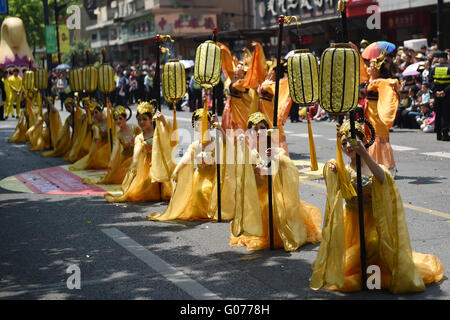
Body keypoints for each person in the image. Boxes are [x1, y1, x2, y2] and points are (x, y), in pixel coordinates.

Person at [310, 119, 444, 293]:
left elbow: (383, 178)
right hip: (351, 222)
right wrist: (332, 170)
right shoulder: (343, 169)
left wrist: (364, 154)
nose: (348, 146)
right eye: (344, 143)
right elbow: (336, 193)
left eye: (352, 141)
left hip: (373, 223)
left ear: (364, 141)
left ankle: (372, 276)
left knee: (371, 249)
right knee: (352, 263)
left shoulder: (374, 167)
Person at [229, 112, 322, 251]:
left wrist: (275, 159)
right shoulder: (249, 152)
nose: (258, 132)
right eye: (254, 129)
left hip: (274, 192)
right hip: (256, 196)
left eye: (261, 128)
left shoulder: (276, 150)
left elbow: (289, 168)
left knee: (273, 207)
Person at [147, 108, 232, 221]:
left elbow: (227, 143)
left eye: (205, 124)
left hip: (215, 178)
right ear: (195, 126)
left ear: (210, 125)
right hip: (200, 177)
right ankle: (206, 212)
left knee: (210, 191)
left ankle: (214, 210)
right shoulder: (195, 145)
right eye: (199, 124)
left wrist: (219, 127)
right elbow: (185, 158)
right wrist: (176, 171)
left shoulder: (216, 142)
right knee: (200, 192)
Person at [104, 101, 173, 203]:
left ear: (150, 119)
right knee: (147, 185)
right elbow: (135, 158)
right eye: (139, 120)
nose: (141, 122)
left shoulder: (158, 131)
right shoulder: (139, 138)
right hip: (147, 168)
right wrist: (131, 175)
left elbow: (169, 132)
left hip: (161, 166)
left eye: (144, 119)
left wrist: (163, 119)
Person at [83, 105, 141, 185]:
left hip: (137, 157)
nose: (118, 121)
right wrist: (111, 160)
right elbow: (115, 147)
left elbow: (144, 137)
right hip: (125, 159)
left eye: (120, 118)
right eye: (116, 119)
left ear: (125, 118)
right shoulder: (118, 135)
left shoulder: (135, 128)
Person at [363, 50, 400, 176]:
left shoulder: (380, 81)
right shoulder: (371, 78)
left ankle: (384, 165)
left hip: (377, 113)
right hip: (369, 112)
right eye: (370, 66)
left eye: (372, 67)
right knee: (369, 136)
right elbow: (362, 70)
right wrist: (356, 51)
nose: (370, 68)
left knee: (378, 137)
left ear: (378, 69)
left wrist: (392, 82)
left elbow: (388, 83)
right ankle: (372, 164)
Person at [69, 101, 111, 170]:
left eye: (96, 112)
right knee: (94, 157)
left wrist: (111, 108)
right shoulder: (95, 125)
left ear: (101, 111)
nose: (94, 115)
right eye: (92, 114)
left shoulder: (109, 121)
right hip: (101, 145)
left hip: (109, 145)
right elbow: (96, 139)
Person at [429, 51, 450, 141]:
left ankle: (438, 134)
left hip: (437, 95)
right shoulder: (449, 68)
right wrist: (444, 91)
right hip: (447, 95)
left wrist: (436, 91)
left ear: (439, 59)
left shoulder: (434, 68)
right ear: (446, 59)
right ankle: (445, 133)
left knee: (438, 114)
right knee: (446, 114)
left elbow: (430, 81)